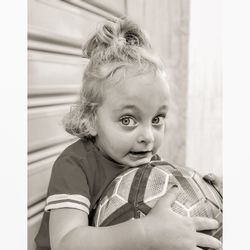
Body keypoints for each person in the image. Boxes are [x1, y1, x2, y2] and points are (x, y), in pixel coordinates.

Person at [35, 18, 222, 250]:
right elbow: (66, 243)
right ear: (90, 118)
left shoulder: (144, 159)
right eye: (128, 120)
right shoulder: (75, 164)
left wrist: (207, 196)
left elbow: (170, 215)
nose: (148, 137)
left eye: (156, 120)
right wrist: (145, 233)